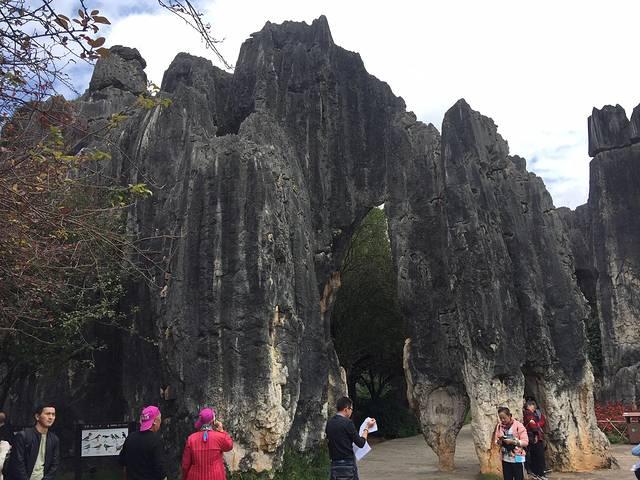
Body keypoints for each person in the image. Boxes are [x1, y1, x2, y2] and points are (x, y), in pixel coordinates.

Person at [325, 397, 376, 480]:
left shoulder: (329, 423)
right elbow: (361, 443)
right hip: (347, 465)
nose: (351, 411)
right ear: (346, 409)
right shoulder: (348, 423)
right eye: (351, 409)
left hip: (334, 464)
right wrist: (367, 428)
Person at [6, 404, 60, 480]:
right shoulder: (23, 436)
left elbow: (54, 464)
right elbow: (18, 463)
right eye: (47, 414)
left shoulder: (54, 439)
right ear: (37, 417)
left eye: (53, 414)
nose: (51, 417)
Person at [181, 408, 233, 480]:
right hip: (216, 476)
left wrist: (184, 477)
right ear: (213, 422)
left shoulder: (191, 439)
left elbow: (185, 465)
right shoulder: (219, 437)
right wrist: (222, 431)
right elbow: (229, 446)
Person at [119, 406, 166, 480]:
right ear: (155, 421)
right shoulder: (156, 441)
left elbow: (123, 462)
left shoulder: (130, 438)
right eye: (160, 420)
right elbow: (159, 468)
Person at [494, 406, 528, 480]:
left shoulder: (519, 426)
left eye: (504, 418)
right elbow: (496, 440)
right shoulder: (499, 426)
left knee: (519, 477)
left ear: (510, 416)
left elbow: (525, 442)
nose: (502, 420)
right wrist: (499, 442)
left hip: (518, 457)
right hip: (505, 458)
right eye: (500, 418)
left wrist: (513, 442)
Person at [523, 399, 547, 480]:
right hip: (534, 437)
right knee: (539, 456)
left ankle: (536, 473)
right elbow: (532, 424)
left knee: (534, 455)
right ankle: (540, 474)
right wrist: (536, 435)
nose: (534, 408)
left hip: (531, 437)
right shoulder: (529, 413)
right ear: (529, 406)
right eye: (533, 406)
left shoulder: (528, 413)